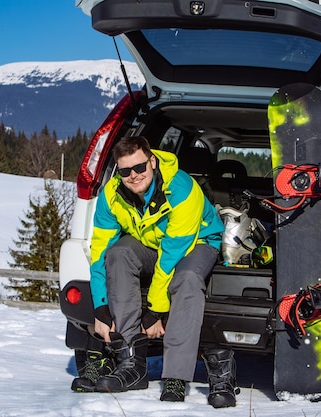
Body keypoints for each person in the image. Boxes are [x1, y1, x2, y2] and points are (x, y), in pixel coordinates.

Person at [71, 136, 239, 408]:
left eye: (139, 168)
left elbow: (170, 260)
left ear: (152, 161)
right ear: (118, 170)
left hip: (196, 243)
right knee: (118, 253)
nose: (134, 176)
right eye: (125, 171)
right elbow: (100, 250)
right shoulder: (111, 196)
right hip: (151, 243)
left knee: (187, 279)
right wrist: (100, 305)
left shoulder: (182, 189)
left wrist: (154, 311)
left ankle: (175, 376)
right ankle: (130, 362)